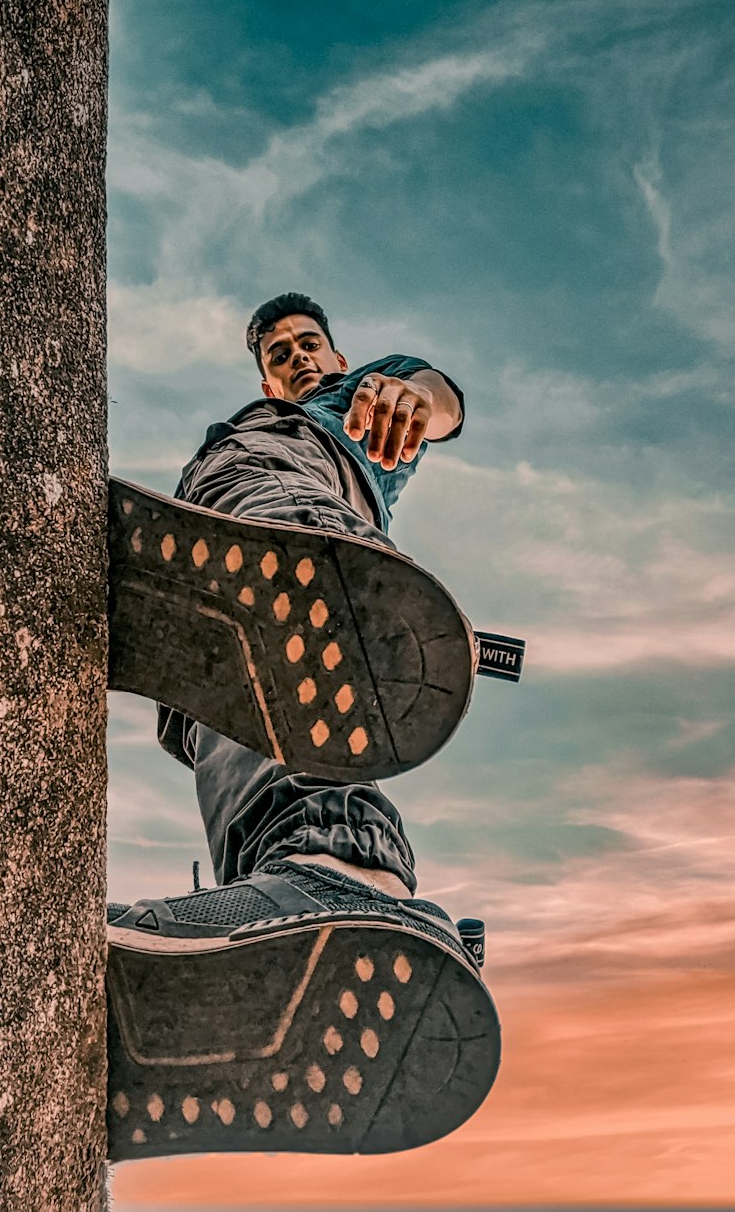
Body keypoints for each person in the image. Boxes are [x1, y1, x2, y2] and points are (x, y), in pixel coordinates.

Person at [106, 293, 498, 1161]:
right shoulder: (246, 417)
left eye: (308, 344)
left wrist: (417, 403)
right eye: (279, 352)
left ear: (337, 351)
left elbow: (441, 397)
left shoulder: (354, 399)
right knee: (233, 718)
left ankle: (342, 866)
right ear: (262, 372)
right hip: (210, 567)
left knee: (298, 642)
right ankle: (290, 899)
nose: (297, 358)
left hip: (293, 493)